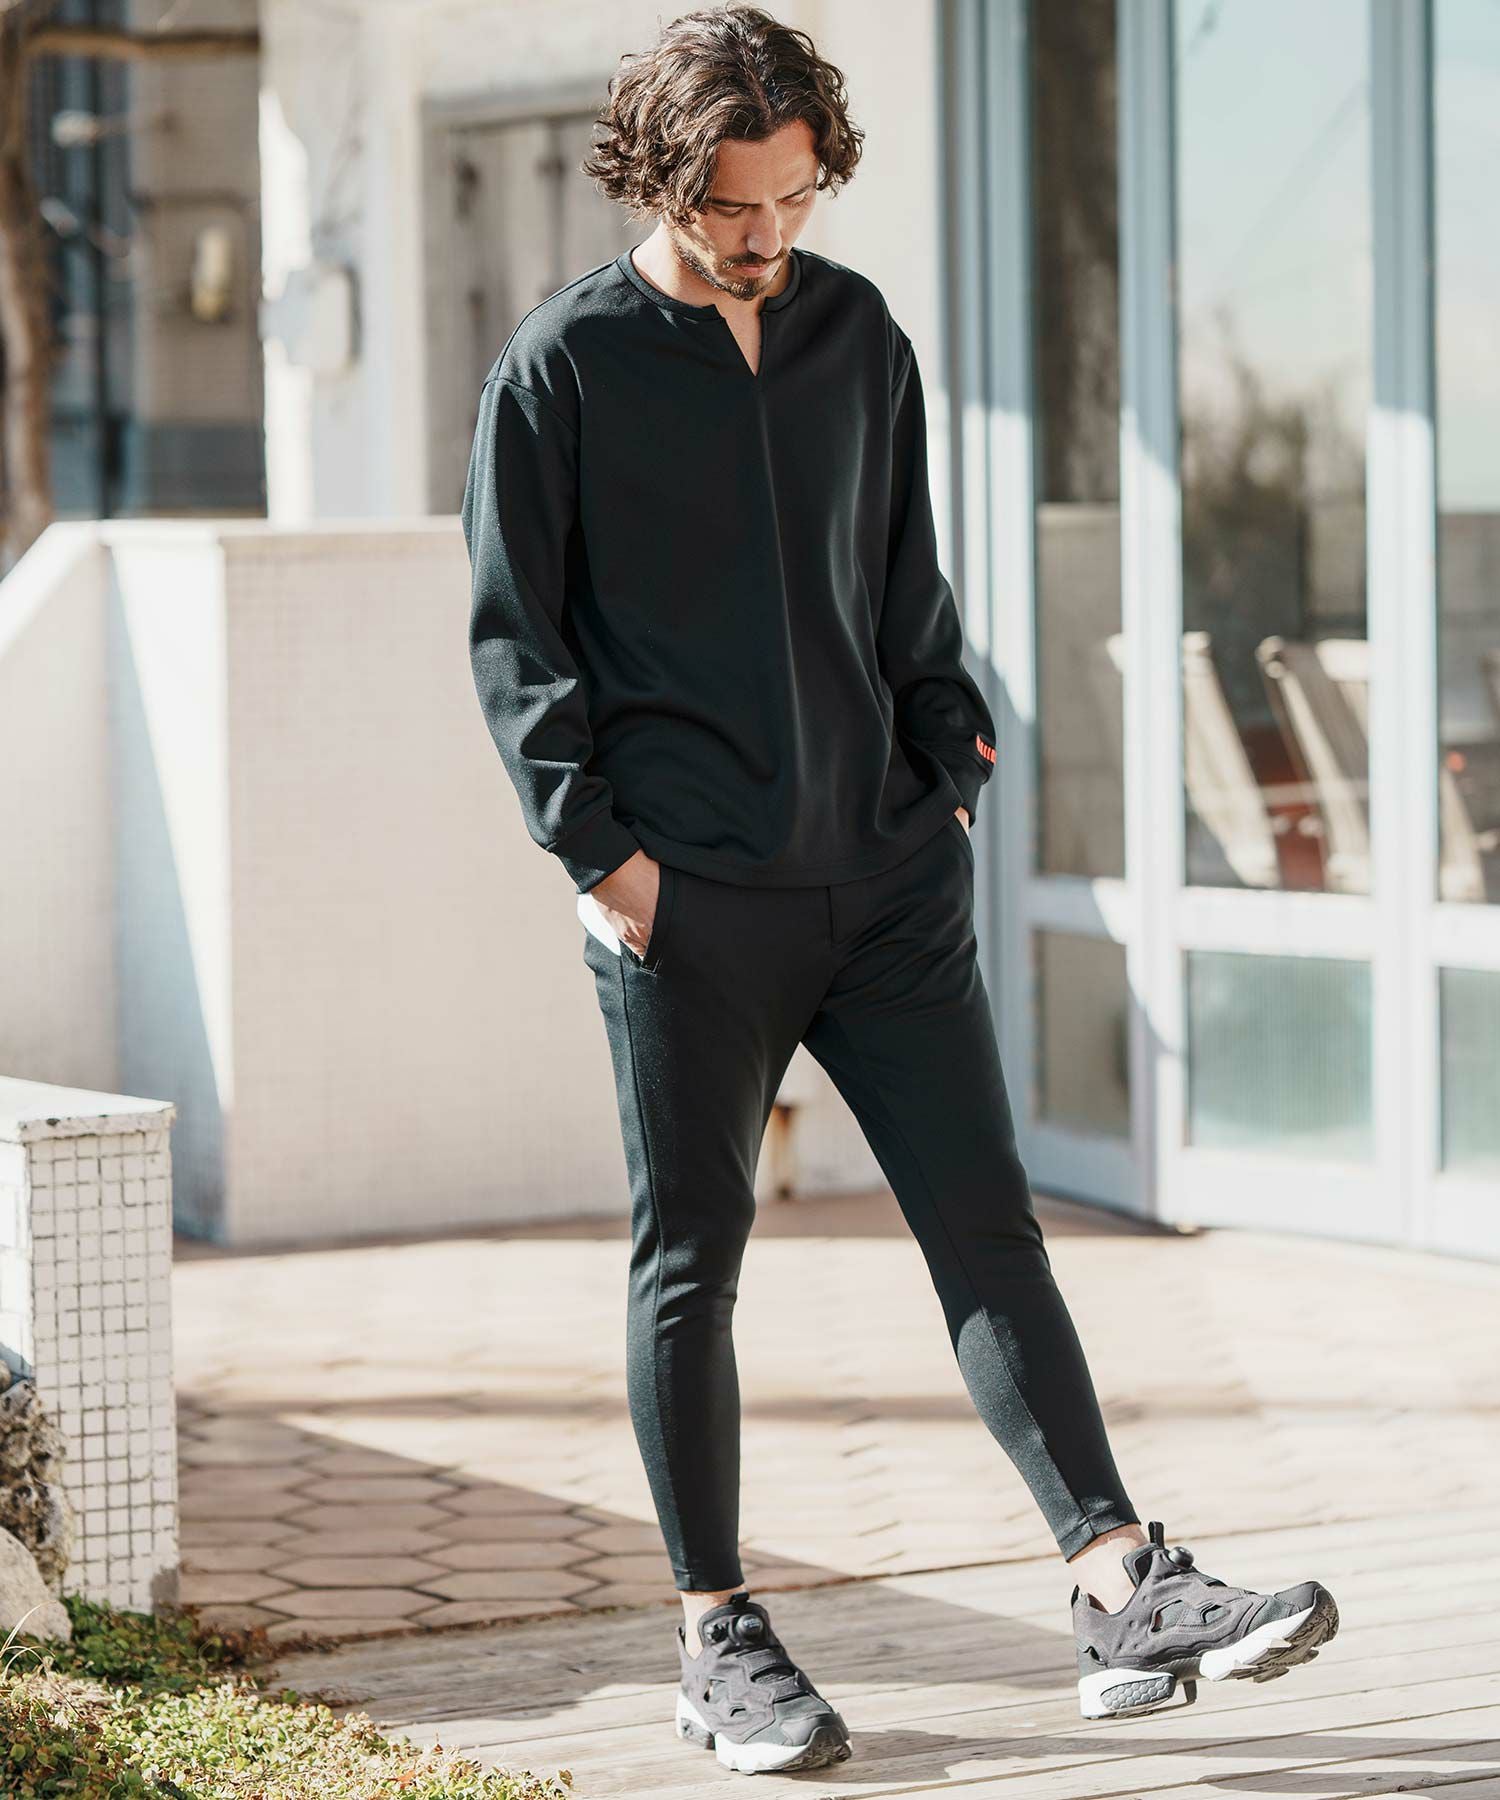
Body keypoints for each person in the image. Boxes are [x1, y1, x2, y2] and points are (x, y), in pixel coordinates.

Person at [461, 3, 1338, 1775]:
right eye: (730, 204)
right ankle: (716, 1637)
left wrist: (954, 764)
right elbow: (515, 645)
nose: (765, 234)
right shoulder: (560, 373)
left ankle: (1116, 1584)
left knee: (987, 1228)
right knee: (692, 1268)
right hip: (689, 904)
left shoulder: (857, 334)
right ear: (656, 178)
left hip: (884, 876)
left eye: (792, 198)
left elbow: (904, 580)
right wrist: (610, 860)